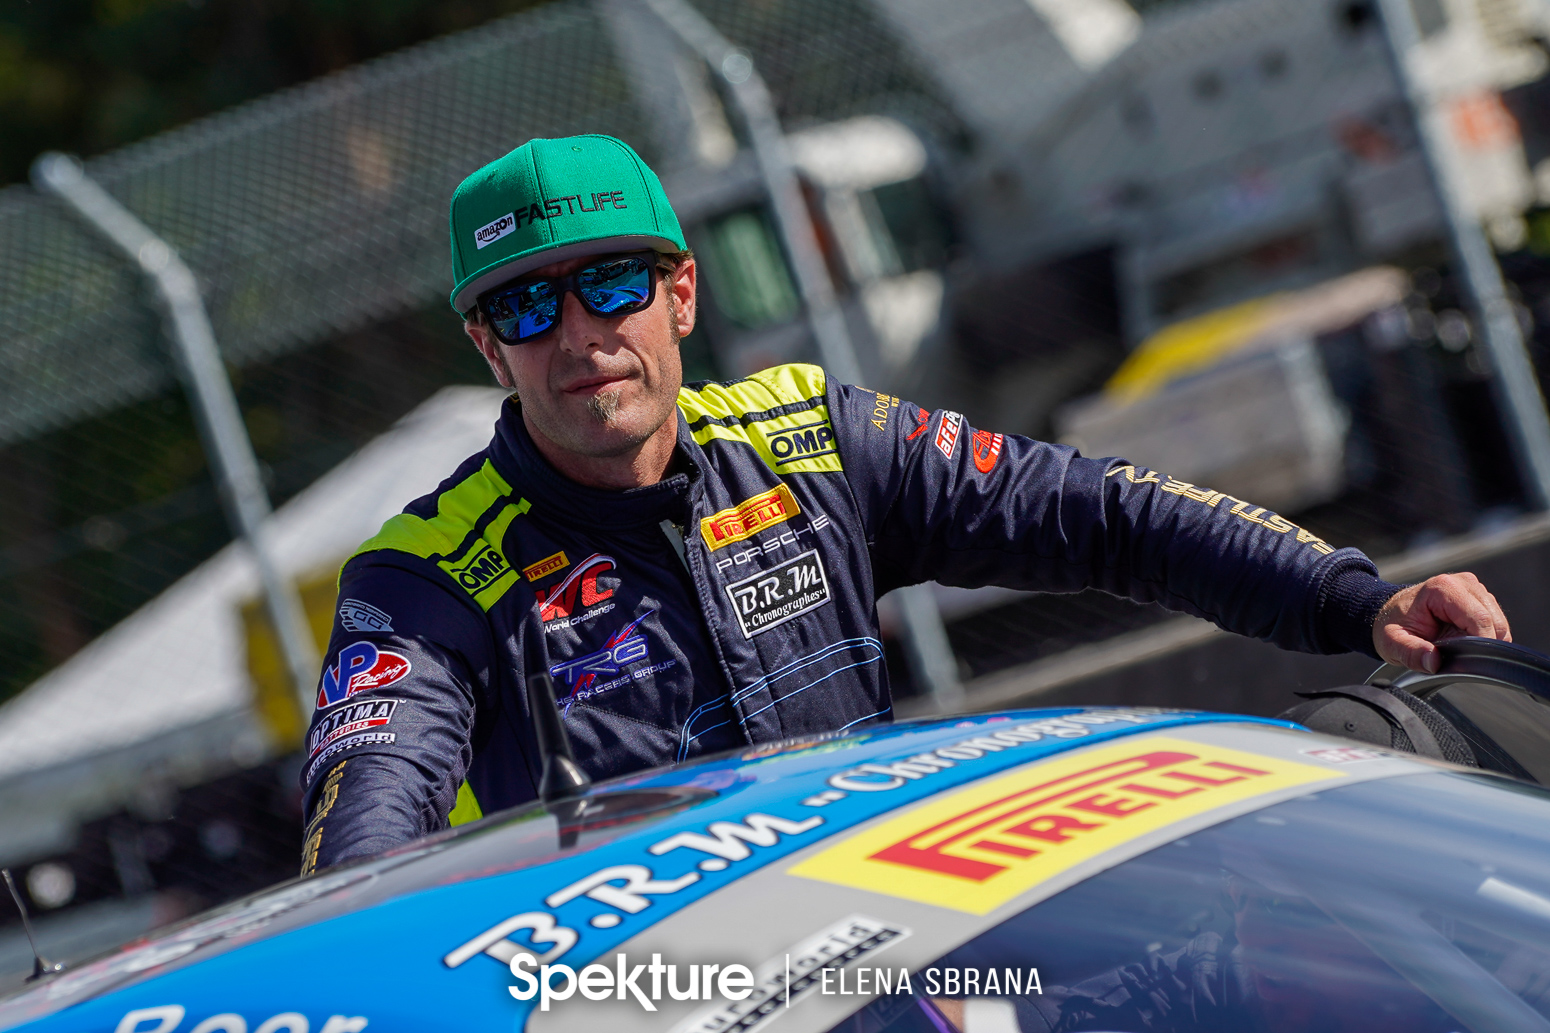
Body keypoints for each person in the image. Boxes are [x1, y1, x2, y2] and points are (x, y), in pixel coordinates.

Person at [297, 133, 1511, 875]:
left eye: (608, 282)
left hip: (887, 931)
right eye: (525, 308)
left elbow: (1096, 512)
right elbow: (368, 820)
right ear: (485, 347)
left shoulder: (806, 438)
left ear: (677, 294)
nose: (577, 335)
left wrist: (1351, 597)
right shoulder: (421, 576)